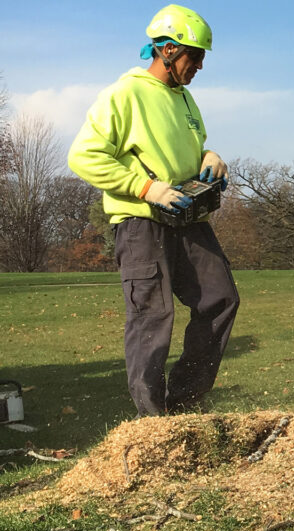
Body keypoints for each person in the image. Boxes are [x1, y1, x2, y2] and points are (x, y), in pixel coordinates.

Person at [68, 4, 239, 416]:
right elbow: (82, 156)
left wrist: (210, 155)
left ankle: (182, 406)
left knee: (220, 299)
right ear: (165, 49)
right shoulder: (124, 94)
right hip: (142, 222)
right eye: (193, 56)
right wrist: (145, 187)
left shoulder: (185, 99)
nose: (199, 65)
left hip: (188, 218)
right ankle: (152, 423)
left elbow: (188, 148)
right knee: (152, 317)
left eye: (201, 58)